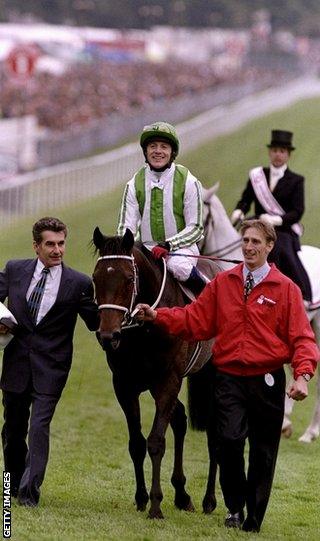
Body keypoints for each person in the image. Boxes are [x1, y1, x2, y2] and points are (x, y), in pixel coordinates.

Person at [136, 219, 319, 532]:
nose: (248, 247)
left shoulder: (286, 289)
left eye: (256, 242)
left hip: (267, 381)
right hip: (229, 379)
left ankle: (254, 518)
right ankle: (234, 506)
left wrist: (302, 375)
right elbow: (194, 320)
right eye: (245, 240)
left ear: (270, 247)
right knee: (229, 443)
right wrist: (158, 315)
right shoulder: (223, 283)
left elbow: (302, 338)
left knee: (263, 453)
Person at [0, 217, 99, 507]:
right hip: (16, 364)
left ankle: (30, 493)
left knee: (39, 427)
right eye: (50, 244)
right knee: (13, 429)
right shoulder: (15, 270)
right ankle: (13, 483)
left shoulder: (80, 283)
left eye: (61, 243)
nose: (57, 250)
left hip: (52, 369)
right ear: (36, 246)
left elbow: (96, 322)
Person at [117, 121, 205, 294]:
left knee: (178, 267)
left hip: (181, 250)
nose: (158, 151)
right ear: (146, 151)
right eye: (152, 146)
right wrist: (125, 249)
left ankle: (209, 296)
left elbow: (196, 228)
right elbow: (125, 227)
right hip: (146, 251)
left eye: (164, 146)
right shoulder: (133, 184)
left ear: (172, 152)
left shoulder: (189, 181)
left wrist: (169, 245)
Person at [231, 129, 312, 302]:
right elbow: (246, 199)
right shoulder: (257, 176)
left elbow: (297, 212)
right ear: (270, 152)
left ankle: (303, 294)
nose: (278, 155)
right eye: (275, 150)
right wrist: (239, 211)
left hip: (283, 230)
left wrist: (275, 220)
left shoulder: (297, 180)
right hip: (257, 227)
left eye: (282, 151)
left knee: (282, 249)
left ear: (288, 155)